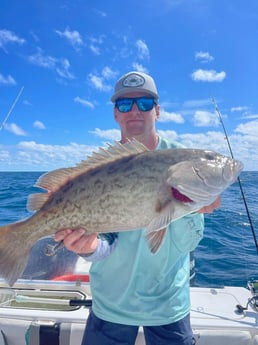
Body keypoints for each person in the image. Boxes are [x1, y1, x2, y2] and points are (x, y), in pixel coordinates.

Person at [54, 71, 220, 345]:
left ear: (157, 111)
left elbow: (189, 242)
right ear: (115, 114)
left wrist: (194, 206)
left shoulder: (185, 161)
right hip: (111, 303)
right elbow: (105, 242)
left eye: (144, 103)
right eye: (124, 104)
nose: (134, 110)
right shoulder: (99, 170)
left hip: (168, 305)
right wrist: (89, 247)